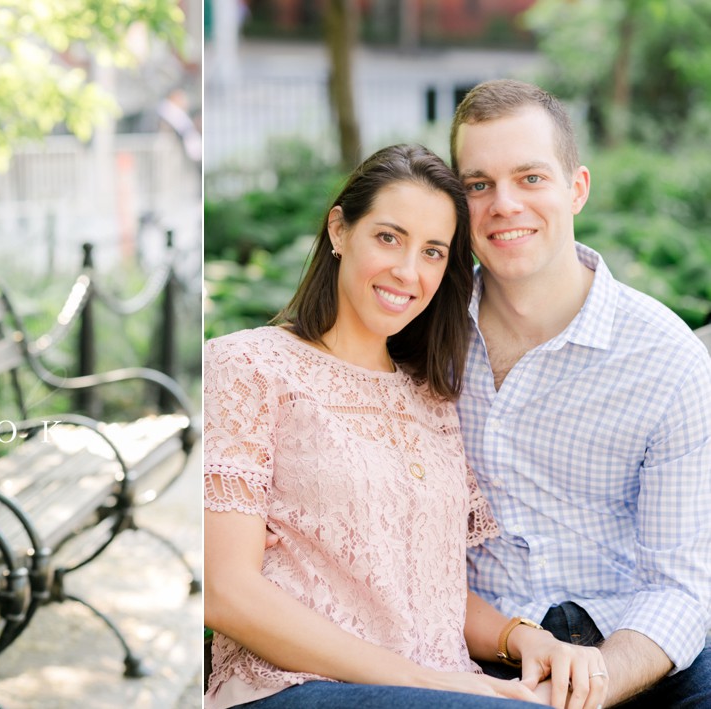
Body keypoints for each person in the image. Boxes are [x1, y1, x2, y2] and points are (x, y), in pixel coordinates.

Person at [204, 144, 606, 709]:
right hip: (293, 687)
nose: (408, 271)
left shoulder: (431, 396)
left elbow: (431, 593)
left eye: (434, 252)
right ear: (340, 230)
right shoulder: (248, 366)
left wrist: (525, 639)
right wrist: (434, 684)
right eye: (389, 238)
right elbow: (225, 592)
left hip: (443, 689)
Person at [450, 79, 711, 708]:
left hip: (630, 648)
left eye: (530, 178)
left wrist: (596, 682)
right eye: (478, 184)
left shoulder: (664, 358)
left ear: (577, 188)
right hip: (472, 651)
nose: (503, 204)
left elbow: (681, 586)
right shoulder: (420, 331)